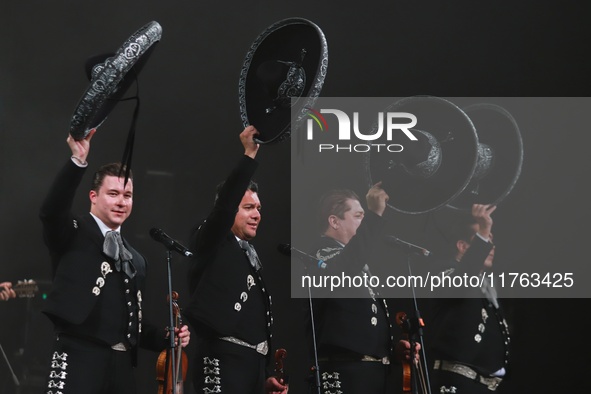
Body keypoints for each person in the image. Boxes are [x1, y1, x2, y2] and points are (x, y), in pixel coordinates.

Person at [39, 128, 190, 394]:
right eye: (113, 194)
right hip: (79, 356)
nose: (121, 202)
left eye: (127, 196)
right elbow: (51, 210)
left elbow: (133, 326)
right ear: (93, 197)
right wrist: (77, 161)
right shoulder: (73, 232)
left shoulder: (137, 259)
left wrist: (166, 337)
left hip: (121, 367)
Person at [183, 125, 287, 394]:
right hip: (221, 360)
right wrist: (249, 155)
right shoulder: (211, 239)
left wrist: (264, 375)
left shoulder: (247, 254)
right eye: (248, 207)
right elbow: (224, 206)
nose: (256, 215)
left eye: (259, 209)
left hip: (250, 367)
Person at [303, 184, 417, 394]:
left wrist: (392, 351)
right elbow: (345, 267)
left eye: (365, 217)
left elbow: (360, 325)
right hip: (346, 372)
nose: (363, 222)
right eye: (358, 215)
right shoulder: (320, 253)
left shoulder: (355, 262)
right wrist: (374, 214)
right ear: (334, 221)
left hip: (371, 374)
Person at [426, 204, 510, 393]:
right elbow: (462, 282)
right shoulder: (443, 271)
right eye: (484, 238)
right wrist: (484, 229)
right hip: (456, 382)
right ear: (462, 246)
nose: (491, 246)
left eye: (491, 240)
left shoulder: (487, 285)